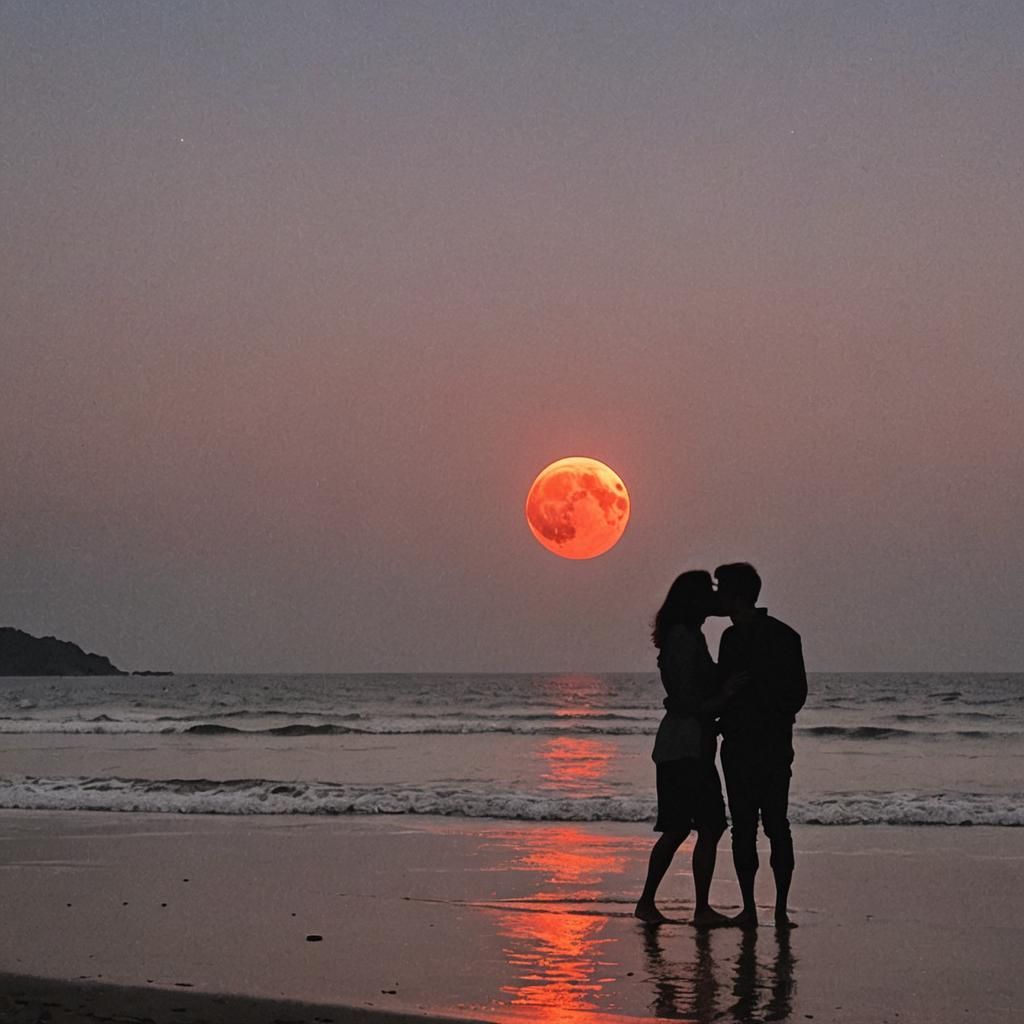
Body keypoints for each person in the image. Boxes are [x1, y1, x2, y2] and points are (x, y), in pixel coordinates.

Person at [634, 570, 743, 927]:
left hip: (684, 743)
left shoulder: (686, 635)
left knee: (684, 826)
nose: (715, 598)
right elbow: (684, 698)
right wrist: (724, 696)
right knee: (704, 824)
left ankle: (655, 902)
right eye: (709, 593)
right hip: (685, 744)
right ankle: (695, 908)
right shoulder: (684, 638)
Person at [714, 562, 807, 929]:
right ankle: (777, 911)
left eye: (721, 589)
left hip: (746, 743)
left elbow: (792, 694)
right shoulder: (785, 635)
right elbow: (796, 695)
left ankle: (752, 909)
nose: (716, 596)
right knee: (775, 825)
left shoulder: (734, 639)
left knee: (747, 826)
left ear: (736, 595)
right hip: (771, 743)